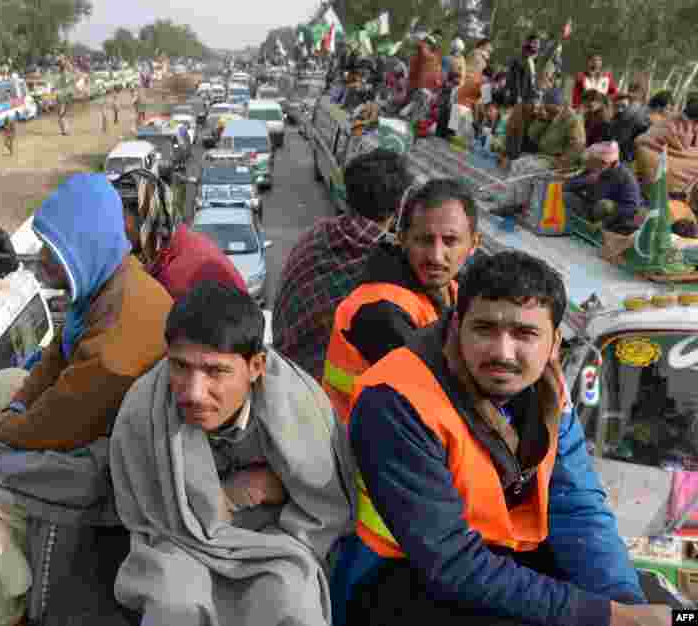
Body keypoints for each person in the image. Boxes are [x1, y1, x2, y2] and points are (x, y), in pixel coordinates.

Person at [346, 251, 664, 626]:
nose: (503, 352)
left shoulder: (546, 383)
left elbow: (576, 506)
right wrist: (605, 615)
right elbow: (450, 561)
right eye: (484, 329)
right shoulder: (396, 398)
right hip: (406, 578)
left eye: (525, 333)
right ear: (456, 325)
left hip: (502, 566)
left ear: (553, 342)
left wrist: (625, 603)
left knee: (676, 616)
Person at [0, 173, 174, 626]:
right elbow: (56, 357)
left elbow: (63, 422)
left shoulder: (122, 323)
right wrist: (14, 409)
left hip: (115, 468)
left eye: (54, 252)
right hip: (95, 425)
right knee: (7, 384)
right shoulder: (109, 279)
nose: (46, 262)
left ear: (84, 245)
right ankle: (6, 541)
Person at [109, 281, 354, 626]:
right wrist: (232, 494)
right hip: (179, 539)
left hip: (276, 538)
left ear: (255, 367)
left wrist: (272, 531)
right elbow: (149, 514)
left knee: (289, 599)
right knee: (173, 599)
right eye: (180, 366)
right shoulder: (143, 409)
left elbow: (322, 511)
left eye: (215, 371)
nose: (193, 393)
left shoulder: (300, 408)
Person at [323, 179, 479, 422]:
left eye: (450, 241)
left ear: (473, 244)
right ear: (402, 239)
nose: (437, 256)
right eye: (424, 240)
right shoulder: (381, 310)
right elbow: (445, 398)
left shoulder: (454, 291)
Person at [274, 150, 415, 380]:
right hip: (325, 398)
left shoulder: (314, 235)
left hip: (284, 372)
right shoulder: (391, 265)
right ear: (399, 208)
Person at [114, 168, 246, 300]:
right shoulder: (168, 251)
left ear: (145, 216)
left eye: (118, 218)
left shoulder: (189, 273)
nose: (113, 229)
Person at [563, 141, 644, 233]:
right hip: (590, 208)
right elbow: (566, 186)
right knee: (567, 197)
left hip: (612, 217)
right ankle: (584, 225)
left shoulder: (625, 177)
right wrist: (586, 181)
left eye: (593, 161)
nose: (589, 164)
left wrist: (604, 223)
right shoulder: (593, 169)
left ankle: (599, 228)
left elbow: (631, 207)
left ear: (605, 163)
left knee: (604, 205)